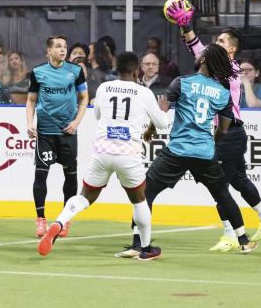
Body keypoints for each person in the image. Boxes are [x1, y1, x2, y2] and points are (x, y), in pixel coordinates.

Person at [116, 43, 257, 258]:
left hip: (177, 151)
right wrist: (211, 141)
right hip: (204, 153)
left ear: (203, 61)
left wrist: (150, 130)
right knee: (222, 194)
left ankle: (137, 244)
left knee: (145, 193)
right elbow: (224, 128)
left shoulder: (181, 83)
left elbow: (162, 110)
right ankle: (244, 240)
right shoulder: (222, 92)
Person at [166, 0, 261, 252]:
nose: (214, 45)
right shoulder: (224, 67)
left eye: (220, 41)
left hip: (228, 134)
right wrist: (186, 29)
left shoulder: (228, 67)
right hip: (234, 133)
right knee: (238, 179)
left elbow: (198, 51)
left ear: (231, 49)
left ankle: (230, 234)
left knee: (219, 187)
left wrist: (188, 28)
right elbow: (198, 52)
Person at [37, 52, 170, 260]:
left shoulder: (103, 88)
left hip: (102, 151)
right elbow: (162, 124)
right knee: (139, 200)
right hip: (128, 153)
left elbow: (98, 114)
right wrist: (163, 110)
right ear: (137, 71)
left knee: (85, 196)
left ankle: (59, 222)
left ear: (117, 68)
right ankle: (146, 249)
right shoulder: (144, 93)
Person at [26, 35, 89, 238]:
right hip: (45, 132)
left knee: (70, 176)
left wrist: (76, 123)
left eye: (65, 46)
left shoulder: (76, 71)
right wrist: (30, 123)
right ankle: (40, 220)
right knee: (40, 175)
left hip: (67, 132)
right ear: (49, 51)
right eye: (58, 46)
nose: (63, 50)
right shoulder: (37, 73)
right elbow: (31, 100)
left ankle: (65, 219)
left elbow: (84, 98)